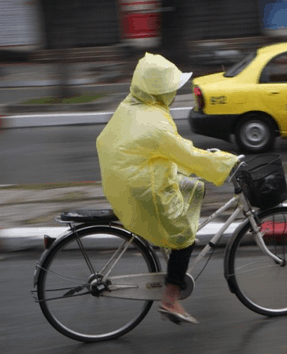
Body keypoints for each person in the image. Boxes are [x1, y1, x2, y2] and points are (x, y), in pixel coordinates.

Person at [96, 53, 239, 324]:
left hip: (122, 181)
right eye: (171, 88)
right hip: (142, 189)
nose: (174, 92)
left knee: (191, 187)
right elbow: (187, 154)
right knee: (185, 236)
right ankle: (171, 300)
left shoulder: (131, 107)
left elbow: (164, 151)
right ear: (161, 91)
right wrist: (227, 163)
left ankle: (170, 250)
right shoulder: (157, 123)